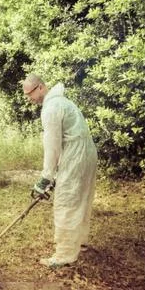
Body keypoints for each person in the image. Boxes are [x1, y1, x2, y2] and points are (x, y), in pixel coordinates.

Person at [22, 74, 98, 268]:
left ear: (40, 87)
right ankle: (78, 242)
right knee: (81, 198)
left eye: (30, 94)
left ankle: (64, 255)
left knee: (67, 201)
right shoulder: (62, 102)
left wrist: (46, 177)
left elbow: (53, 146)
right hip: (86, 154)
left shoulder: (52, 108)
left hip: (77, 156)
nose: (29, 99)